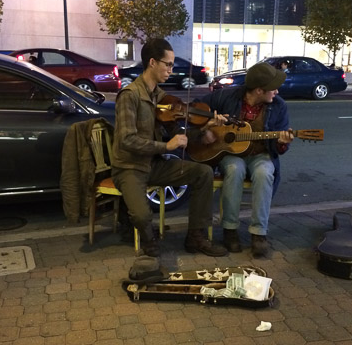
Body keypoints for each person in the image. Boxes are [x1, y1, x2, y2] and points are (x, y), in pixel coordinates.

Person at [112, 38, 227, 276]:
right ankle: (149, 244)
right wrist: (166, 147)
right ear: (152, 62)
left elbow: (178, 129)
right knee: (143, 215)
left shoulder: (159, 95)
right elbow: (126, 140)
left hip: (153, 164)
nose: (171, 70)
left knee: (202, 173)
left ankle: (195, 236)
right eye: (168, 65)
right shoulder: (129, 96)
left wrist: (205, 130)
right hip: (130, 167)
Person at [201, 62, 294, 257]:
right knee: (235, 170)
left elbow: (279, 148)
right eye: (273, 88)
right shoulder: (228, 96)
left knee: (264, 172)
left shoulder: (279, 106)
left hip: (261, 154)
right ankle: (230, 229)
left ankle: (259, 233)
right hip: (231, 154)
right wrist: (208, 125)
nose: (276, 91)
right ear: (259, 90)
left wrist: (283, 143)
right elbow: (196, 109)